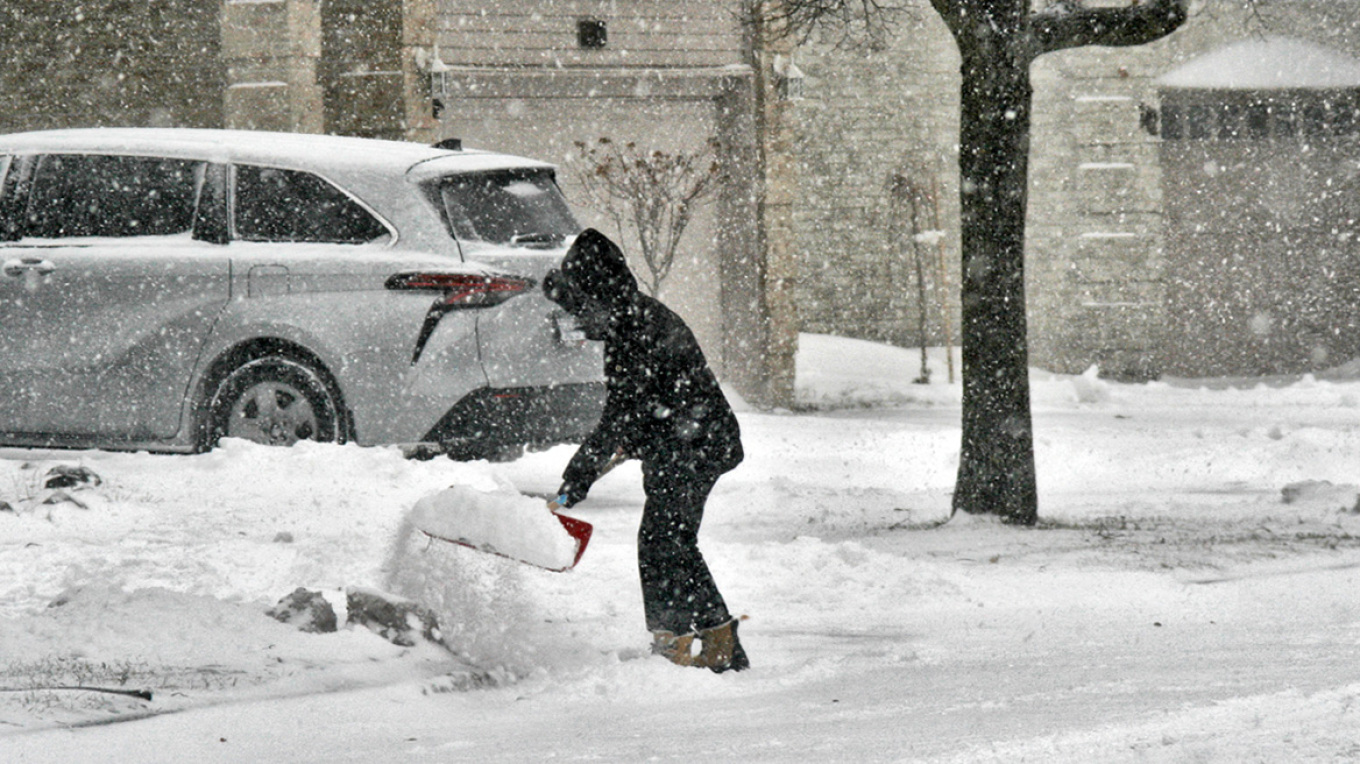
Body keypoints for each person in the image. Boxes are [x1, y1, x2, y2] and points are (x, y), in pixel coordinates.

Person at [543, 228, 748, 673]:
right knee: (669, 542)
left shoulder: (639, 329)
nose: (579, 321)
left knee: (663, 542)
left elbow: (622, 414)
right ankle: (714, 642)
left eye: (581, 308)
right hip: (681, 441)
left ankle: (679, 642)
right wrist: (589, 468)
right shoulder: (628, 322)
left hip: (697, 443)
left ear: (600, 295)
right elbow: (631, 414)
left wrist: (578, 475)